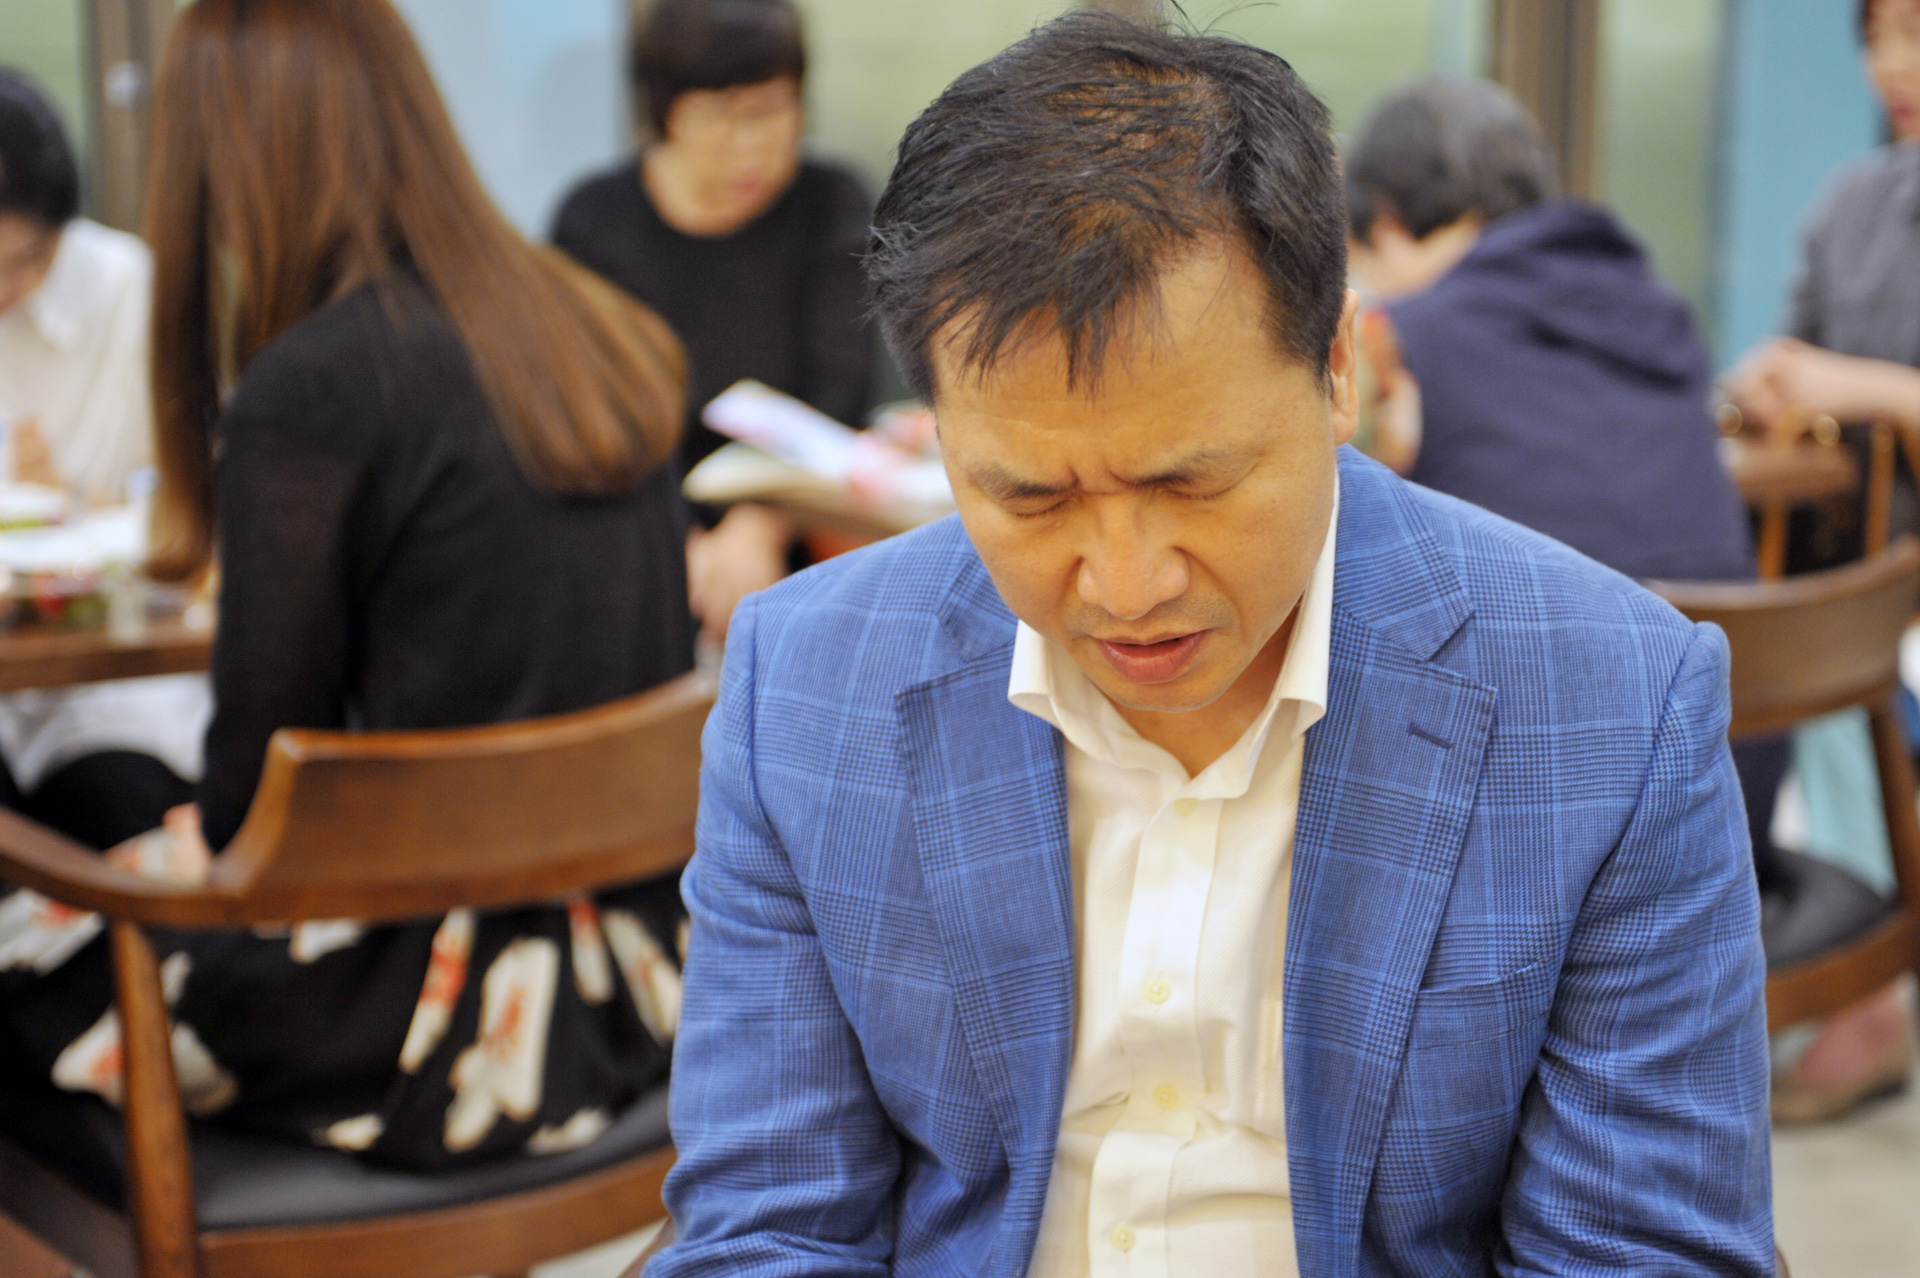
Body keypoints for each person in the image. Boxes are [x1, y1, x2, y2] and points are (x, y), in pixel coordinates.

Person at [655, 14, 1772, 1276]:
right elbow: (770, 1222)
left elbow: (1637, 1254)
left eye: (1192, 482)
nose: (1127, 585)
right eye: (1029, 498)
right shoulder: (806, 687)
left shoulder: (1612, 706)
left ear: (1339, 368)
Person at [0, 0, 694, 1171]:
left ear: (225, 161)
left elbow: (245, 823)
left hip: (432, 1023)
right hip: (651, 978)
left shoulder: (311, 389)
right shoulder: (594, 325)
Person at [1720, 0, 1920, 1122]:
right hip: (1849, 556)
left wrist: (1868, 389)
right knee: (1800, 643)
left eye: (1916, 31)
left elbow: (1852, 382)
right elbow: (1796, 349)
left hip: (1891, 580)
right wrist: (1774, 378)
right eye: (1877, 35)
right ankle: (1849, 978)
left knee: (1848, 657)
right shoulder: (1853, 201)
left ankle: (1863, 990)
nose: (1892, 63)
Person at [1345, 76, 1752, 584]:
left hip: (1534, 630)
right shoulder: (1665, 312)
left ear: (1385, 225)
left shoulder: (1406, 335)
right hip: (1731, 629)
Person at [552, 0, 872, 642]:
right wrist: (675, 540)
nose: (748, 145)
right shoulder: (593, 222)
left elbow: (839, 392)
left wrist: (758, 524)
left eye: (770, 110)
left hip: (797, 522)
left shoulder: (831, 203)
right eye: (715, 114)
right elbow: (583, 412)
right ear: (663, 112)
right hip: (635, 528)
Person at [0, 70, 210, 850]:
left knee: (113, 801)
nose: (6, 287)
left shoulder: (128, 289)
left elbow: (189, 507)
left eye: (26, 259)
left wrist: (70, 503)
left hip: (111, 686)